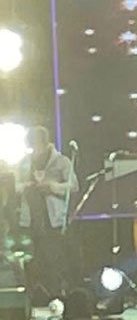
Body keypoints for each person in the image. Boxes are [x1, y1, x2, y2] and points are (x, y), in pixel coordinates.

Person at [15, 126, 78, 298]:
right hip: (30, 219)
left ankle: (55, 296)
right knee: (31, 261)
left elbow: (73, 186)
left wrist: (52, 187)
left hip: (52, 220)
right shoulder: (25, 162)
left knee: (53, 260)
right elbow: (15, 186)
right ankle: (33, 297)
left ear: (43, 141)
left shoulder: (61, 161)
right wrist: (26, 186)